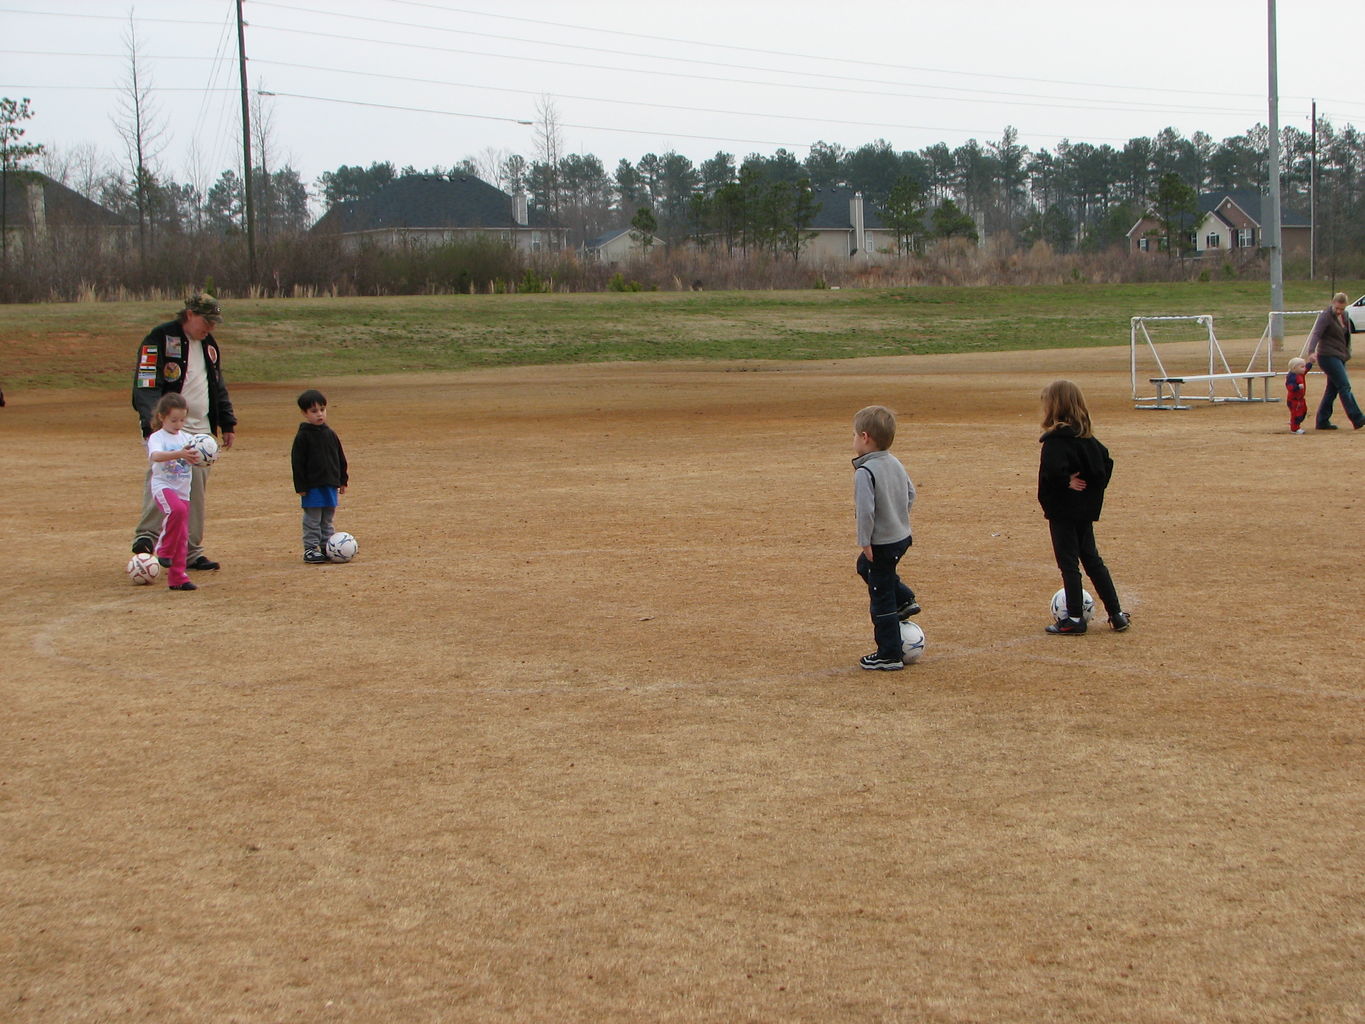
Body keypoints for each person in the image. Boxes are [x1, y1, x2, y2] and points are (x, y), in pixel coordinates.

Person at [130, 293, 237, 568]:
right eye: (206, 320)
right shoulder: (159, 339)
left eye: (214, 322)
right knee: (163, 480)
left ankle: (189, 551)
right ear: (189, 314)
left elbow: (217, 386)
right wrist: (152, 425)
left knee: (195, 490)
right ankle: (147, 539)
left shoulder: (209, 345)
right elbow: (145, 385)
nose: (210, 327)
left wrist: (227, 422)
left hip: (200, 431)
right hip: (168, 427)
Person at [1037, 380, 1129, 635]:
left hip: (1063, 510)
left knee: (1069, 563)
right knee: (1092, 559)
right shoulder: (1087, 438)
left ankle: (1075, 617)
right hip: (1083, 511)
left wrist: (1066, 481)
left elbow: (1052, 472)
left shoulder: (1056, 440)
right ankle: (1117, 613)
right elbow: (1105, 463)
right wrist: (1091, 490)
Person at [851, 405, 919, 671]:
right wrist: (899, 518)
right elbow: (911, 492)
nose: (854, 440)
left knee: (880, 596)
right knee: (864, 567)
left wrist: (865, 541)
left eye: (855, 435)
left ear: (865, 437)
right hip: (901, 537)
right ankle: (904, 598)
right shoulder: (894, 462)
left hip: (881, 542)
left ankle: (889, 653)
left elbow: (866, 512)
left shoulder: (864, 472)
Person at [145, 393, 202, 591]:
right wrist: (179, 454)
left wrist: (202, 456)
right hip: (164, 486)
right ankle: (163, 548)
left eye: (182, 420)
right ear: (162, 417)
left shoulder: (188, 438)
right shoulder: (157, 437)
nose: (178, 424)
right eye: (174, 420)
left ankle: (178, 577)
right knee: (176, 510)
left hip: (182, 490)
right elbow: (156, 456)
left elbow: (197, 457)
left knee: (183, 533)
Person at [290, 388, 349, 564]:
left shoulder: (330, 434)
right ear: (304, 413)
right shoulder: (303, 437)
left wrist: (342, 480)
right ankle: (310, 548)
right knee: (313, 518)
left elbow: (340, 458)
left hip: (330, 484)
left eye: (322, 409)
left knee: (327, 518)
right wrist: (300, 486)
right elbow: (297, 462)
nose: (319, 414)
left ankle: (326, 545)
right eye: (314, 411)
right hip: (312, 486)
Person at [1303, 292, 1362, 431]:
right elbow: (1316, 333)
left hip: (1340, 357)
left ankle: (1322, 421)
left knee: (1332, 390)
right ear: (1332, 303)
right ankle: (1357, 418)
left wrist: (1347, 353)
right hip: (1327, 356)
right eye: (1337, 308)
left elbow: (1346, 337)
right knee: (1344, 386)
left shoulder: (1346, 316)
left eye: (1342, 308)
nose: (1339, 311)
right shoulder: (1326, 316)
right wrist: (1311, 351)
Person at [1285, 356, 1313, 434]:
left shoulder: (1301, 374)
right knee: (1297, 414)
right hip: (1294, 400)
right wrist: (1297, 387)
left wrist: (1311, 362)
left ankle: (1294, 422)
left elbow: (1306, 369)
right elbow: (1289, 386)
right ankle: (1294, 428)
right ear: (1294, 368)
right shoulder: (1291, 377)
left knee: (1303, 412)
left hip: (1300, 399)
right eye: (1302, 367)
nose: (1304, 368)